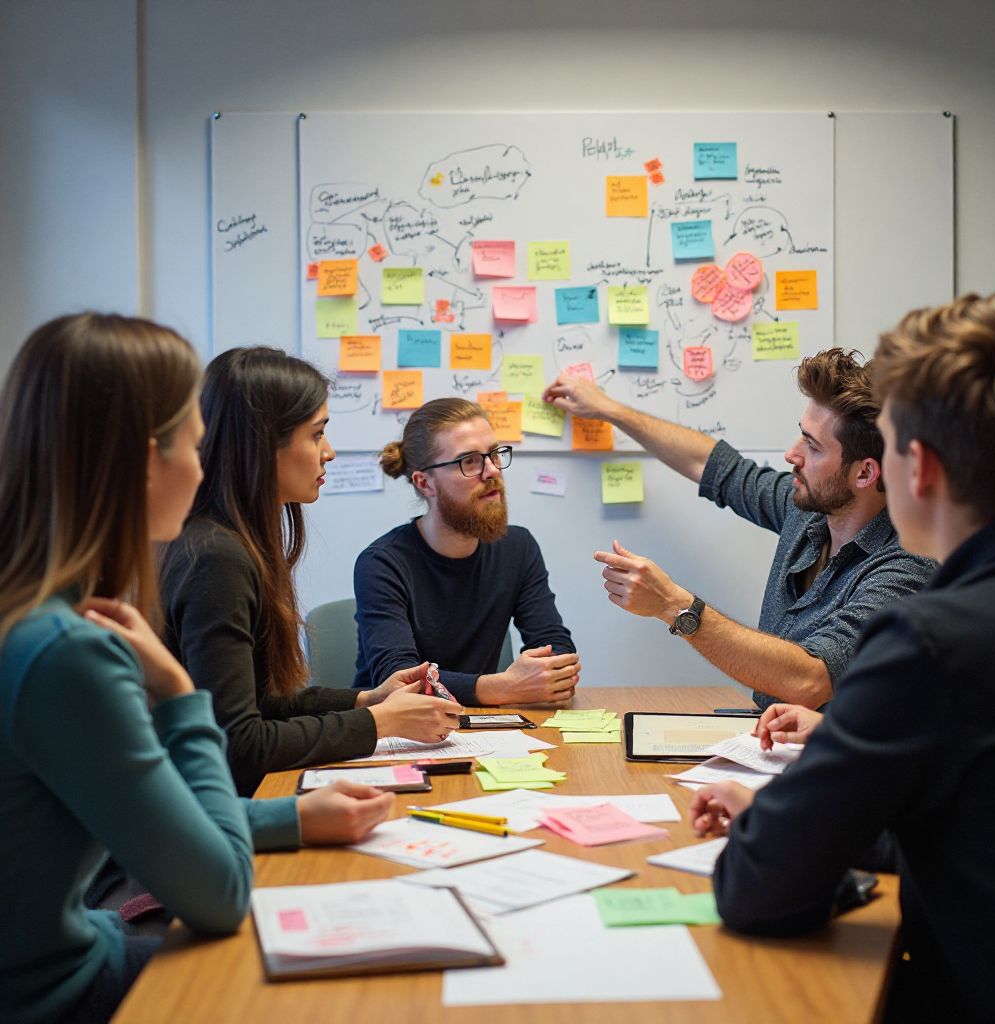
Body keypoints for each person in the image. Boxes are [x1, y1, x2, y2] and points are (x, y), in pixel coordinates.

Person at [0, 314, 395, 1024]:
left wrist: (292, 818)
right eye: (195, 440)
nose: (204, 462)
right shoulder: (68, 653)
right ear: (148, 461)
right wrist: (182, 699)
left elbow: (138, 810)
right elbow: (218, 894)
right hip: (60, 992)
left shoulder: (37, 619)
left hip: (86, 941)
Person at [689, 294, 995, 1022]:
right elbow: (987, 834)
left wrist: (781, 824)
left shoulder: (927, 641)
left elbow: (760, 890)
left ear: (916, 468)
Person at [542, 349, 933, 710]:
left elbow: (812, 679)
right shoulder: (808, 511)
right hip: (767, 750)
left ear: (865, 472)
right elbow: (709, 464)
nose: (791, 455)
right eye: (801, 433)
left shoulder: (906, 565)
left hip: (837, 772)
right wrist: (608, 409)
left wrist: (674, 605)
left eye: (812, 447)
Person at [161, 347, 460, 797]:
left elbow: (261, 703)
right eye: (317, 434)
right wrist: (378, 723)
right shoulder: (216, 558)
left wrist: (368, 699)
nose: (330, 452)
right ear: (261, 444)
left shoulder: (229, 542)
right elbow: (238, 745)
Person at [352, 398, 579, 706]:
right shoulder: (381, 563)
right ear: (425, 483)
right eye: (470, 461)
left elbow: (556, 651)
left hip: (485, 729)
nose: (492, 471)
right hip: (395, 733)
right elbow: (399, 681)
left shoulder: (518, 548)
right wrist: (503, 687)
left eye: (494, 454)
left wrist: (548, 674)